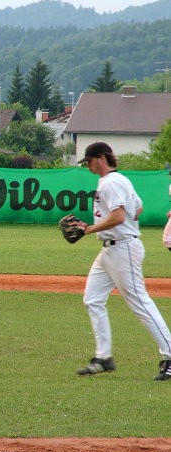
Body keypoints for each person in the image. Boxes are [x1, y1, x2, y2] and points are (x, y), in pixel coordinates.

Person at [73, 142, 171, 381]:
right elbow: (137, 210)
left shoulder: (113, 182)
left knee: (140, 302)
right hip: (109, 251)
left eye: (89, 160)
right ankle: (103, 357)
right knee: (93, 299)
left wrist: (89, 229)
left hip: (123, 247)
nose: (87, 165)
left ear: (101, 158)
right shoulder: (119, 181)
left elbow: (119, 216)